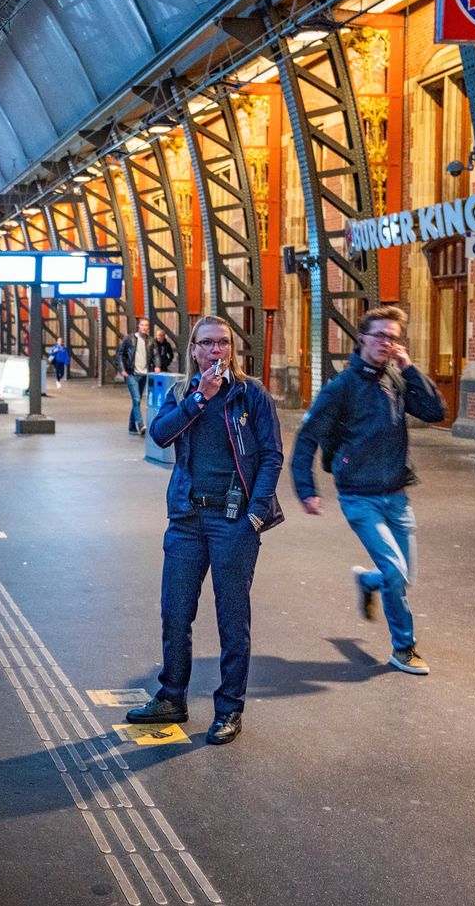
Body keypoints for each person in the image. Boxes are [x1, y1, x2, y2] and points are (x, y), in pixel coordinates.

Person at [125, 316, 283, 745]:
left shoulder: (251, 394)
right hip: (186, 519)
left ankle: (229, 708)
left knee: (233, 619)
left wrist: (255, 515)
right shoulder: (183, 392)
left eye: (224, 343)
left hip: (234, 521)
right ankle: (171, 696)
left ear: (232, 349)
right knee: (175, 612)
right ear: (193, 349)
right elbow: (158, 435)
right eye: (208, 343)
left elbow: (271, 455)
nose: (217, 351)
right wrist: (198, 399)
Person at [290, 305, 445, 675]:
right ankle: (403, 649)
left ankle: (367, 579)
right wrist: (306, 489)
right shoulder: (341, 388)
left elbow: (436, 412)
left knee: (402, 576)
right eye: (380, 336)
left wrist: (409, 369)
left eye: (393, 337)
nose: (386, 343)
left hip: (397, 494)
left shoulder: (396, 377)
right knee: (395, 571)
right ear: (362, 338)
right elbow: (308, 437)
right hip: (359, 496)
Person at [115, 317, 151, 435]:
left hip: (144, 374)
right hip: (131, 374)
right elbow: (119, 354)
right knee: (136, 399)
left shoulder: (150, 341)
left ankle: (131, 427)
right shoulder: (129, 339)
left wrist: (157, 366)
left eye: (146, 325)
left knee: (137, 401)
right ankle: (141, 425)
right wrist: (122, 370)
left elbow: (155, 355)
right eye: (142, 325)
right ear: (138, 326)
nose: (144, 327)